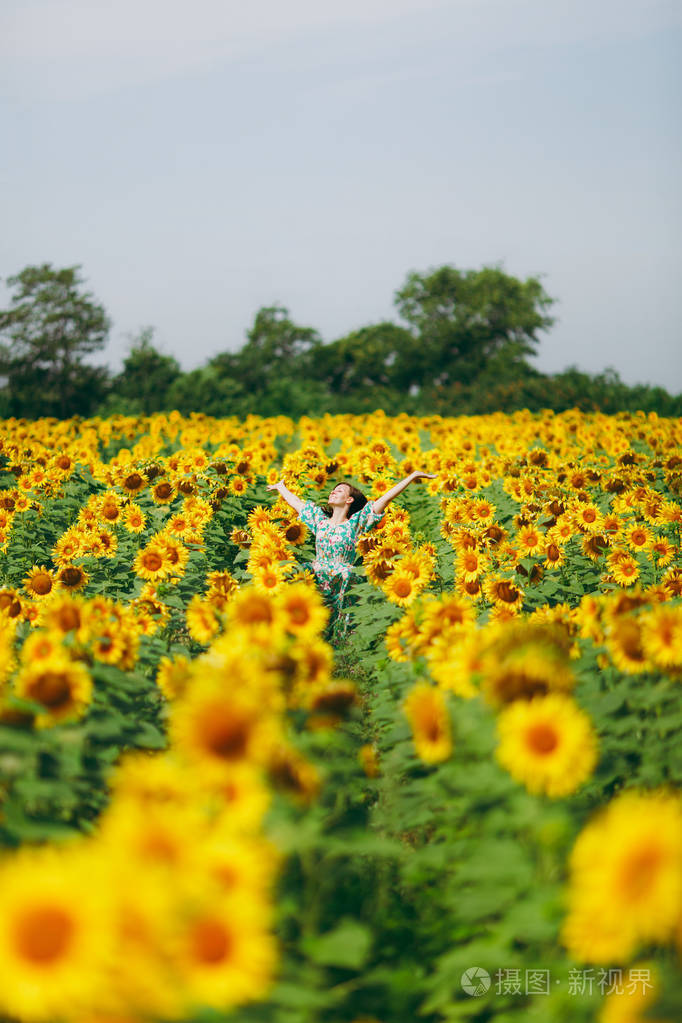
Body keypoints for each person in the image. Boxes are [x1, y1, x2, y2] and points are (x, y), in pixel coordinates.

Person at [267, 471, 436, 643]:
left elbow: (384, 500)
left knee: (345, 583)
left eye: (339, 490)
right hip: (317, 578)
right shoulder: (319, 520)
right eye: (333, 490)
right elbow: (297, 503)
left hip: (342, 583)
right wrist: (281, 487)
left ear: (349, 500)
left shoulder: (355, 524)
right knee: (295, 574)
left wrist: (412, 476)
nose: (333, 492)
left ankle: (341, 648)